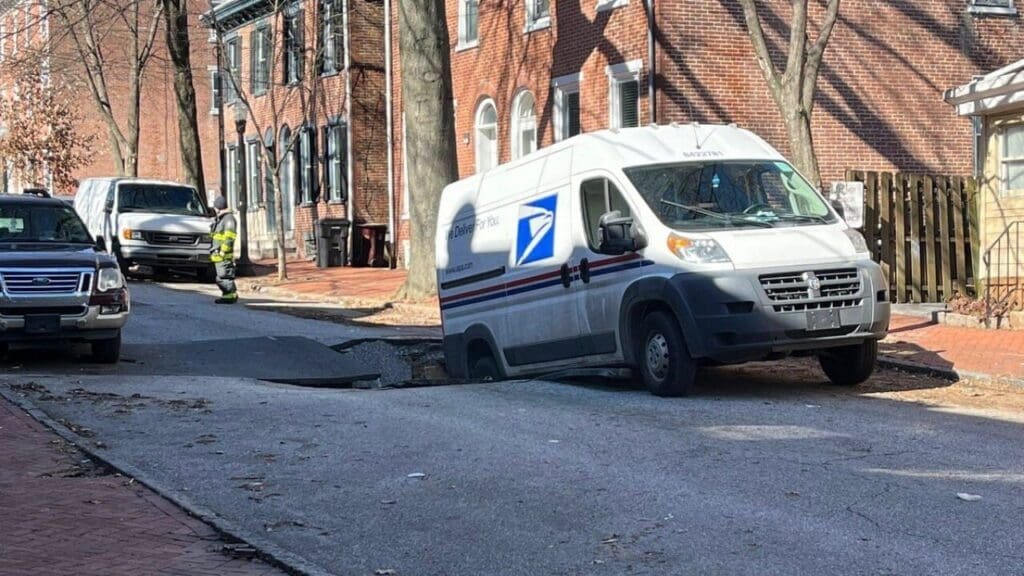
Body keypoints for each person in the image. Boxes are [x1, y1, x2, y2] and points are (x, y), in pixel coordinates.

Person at [210, 196, 238, 304]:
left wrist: (223, 251)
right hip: (218, 254)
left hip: (223, 255)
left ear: (218, 207)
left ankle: (229, 296)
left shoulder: (228, 219)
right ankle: (227, 295)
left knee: (224, 275)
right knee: (221, 276)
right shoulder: (221, 219)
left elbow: (229, 238)